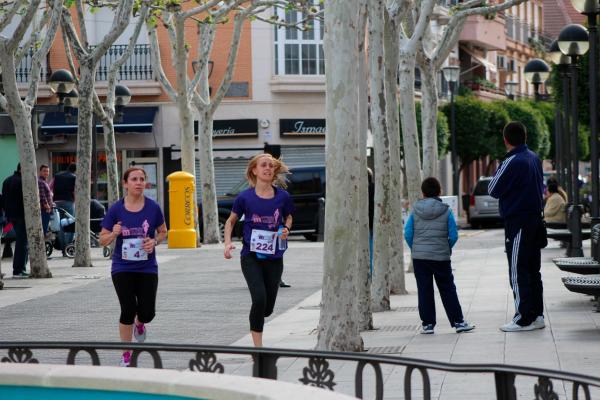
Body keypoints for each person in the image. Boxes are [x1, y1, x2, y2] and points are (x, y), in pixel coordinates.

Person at [223, 153, 295, 347]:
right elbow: (230, 221)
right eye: (263, 165)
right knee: (259, 299)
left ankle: (259, 315)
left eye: (271, 166)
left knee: (267, 308)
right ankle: (258, 349)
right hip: (251, 257)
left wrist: (286, 229)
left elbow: (288, 217)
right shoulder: (245, 197)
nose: (268, 169)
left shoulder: (283, 196)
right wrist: (227, 243)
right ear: (254, 170)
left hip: (274, 257)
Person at [99, 167, 167, 367]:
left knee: (147, 313)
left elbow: (163, 232)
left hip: (147, 268)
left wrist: (154, 241)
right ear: (125, 183)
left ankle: (141, 323)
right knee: (127, 309)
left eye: (142, 179)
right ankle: (126, 354)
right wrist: (114, 234)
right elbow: (102, 239)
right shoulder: (116, 210)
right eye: (134, 179)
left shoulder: (153, 208)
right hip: (122, 267)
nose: (139, 183)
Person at [489, 121, 545, 332]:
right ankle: (537, 315)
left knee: (517, 269)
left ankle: (523, 318)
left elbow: (493, 188)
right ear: (525, 137)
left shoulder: (512, 161)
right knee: (533, 270)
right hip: (535, 220)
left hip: (518, 222)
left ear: (506, 140)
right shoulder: (534, 158)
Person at [404, 177, 475, 334]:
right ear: (440, 191)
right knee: (447, 288)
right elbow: (454, 235)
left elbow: (408, 233)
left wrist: (416, 249)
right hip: (441, 257)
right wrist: (445, 247)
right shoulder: (446, 210)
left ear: (422, 193)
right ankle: (458, 322)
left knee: (424, 289)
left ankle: (428, 325)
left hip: (420, 258)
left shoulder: (415, 210)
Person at [2, 164, 28, 277]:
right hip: (21, 216)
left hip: (9, 216)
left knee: (14, 239)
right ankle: (18, 270)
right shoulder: (24, 181)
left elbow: (3, 199)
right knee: (22, 243)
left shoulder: (7, 180)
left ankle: (18, 268)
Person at [51, 163, 76, 250]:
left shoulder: (57, 176)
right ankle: (68, 246)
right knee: (70, 223)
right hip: (68, 201)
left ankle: (62, 246)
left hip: (57, 202)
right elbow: (75, 191)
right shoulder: (74, 177)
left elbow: (50, 187)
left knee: (60, 224)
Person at [38, 164, 53, 236]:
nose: (46, 173)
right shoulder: (40, 181)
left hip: (46, 209)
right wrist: (47, 206)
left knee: (45, 229)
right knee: (43, 230)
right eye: (44, 171)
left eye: (47, 171)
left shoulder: (44, 181)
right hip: (44, 210)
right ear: (40, 172)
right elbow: (42, 196)